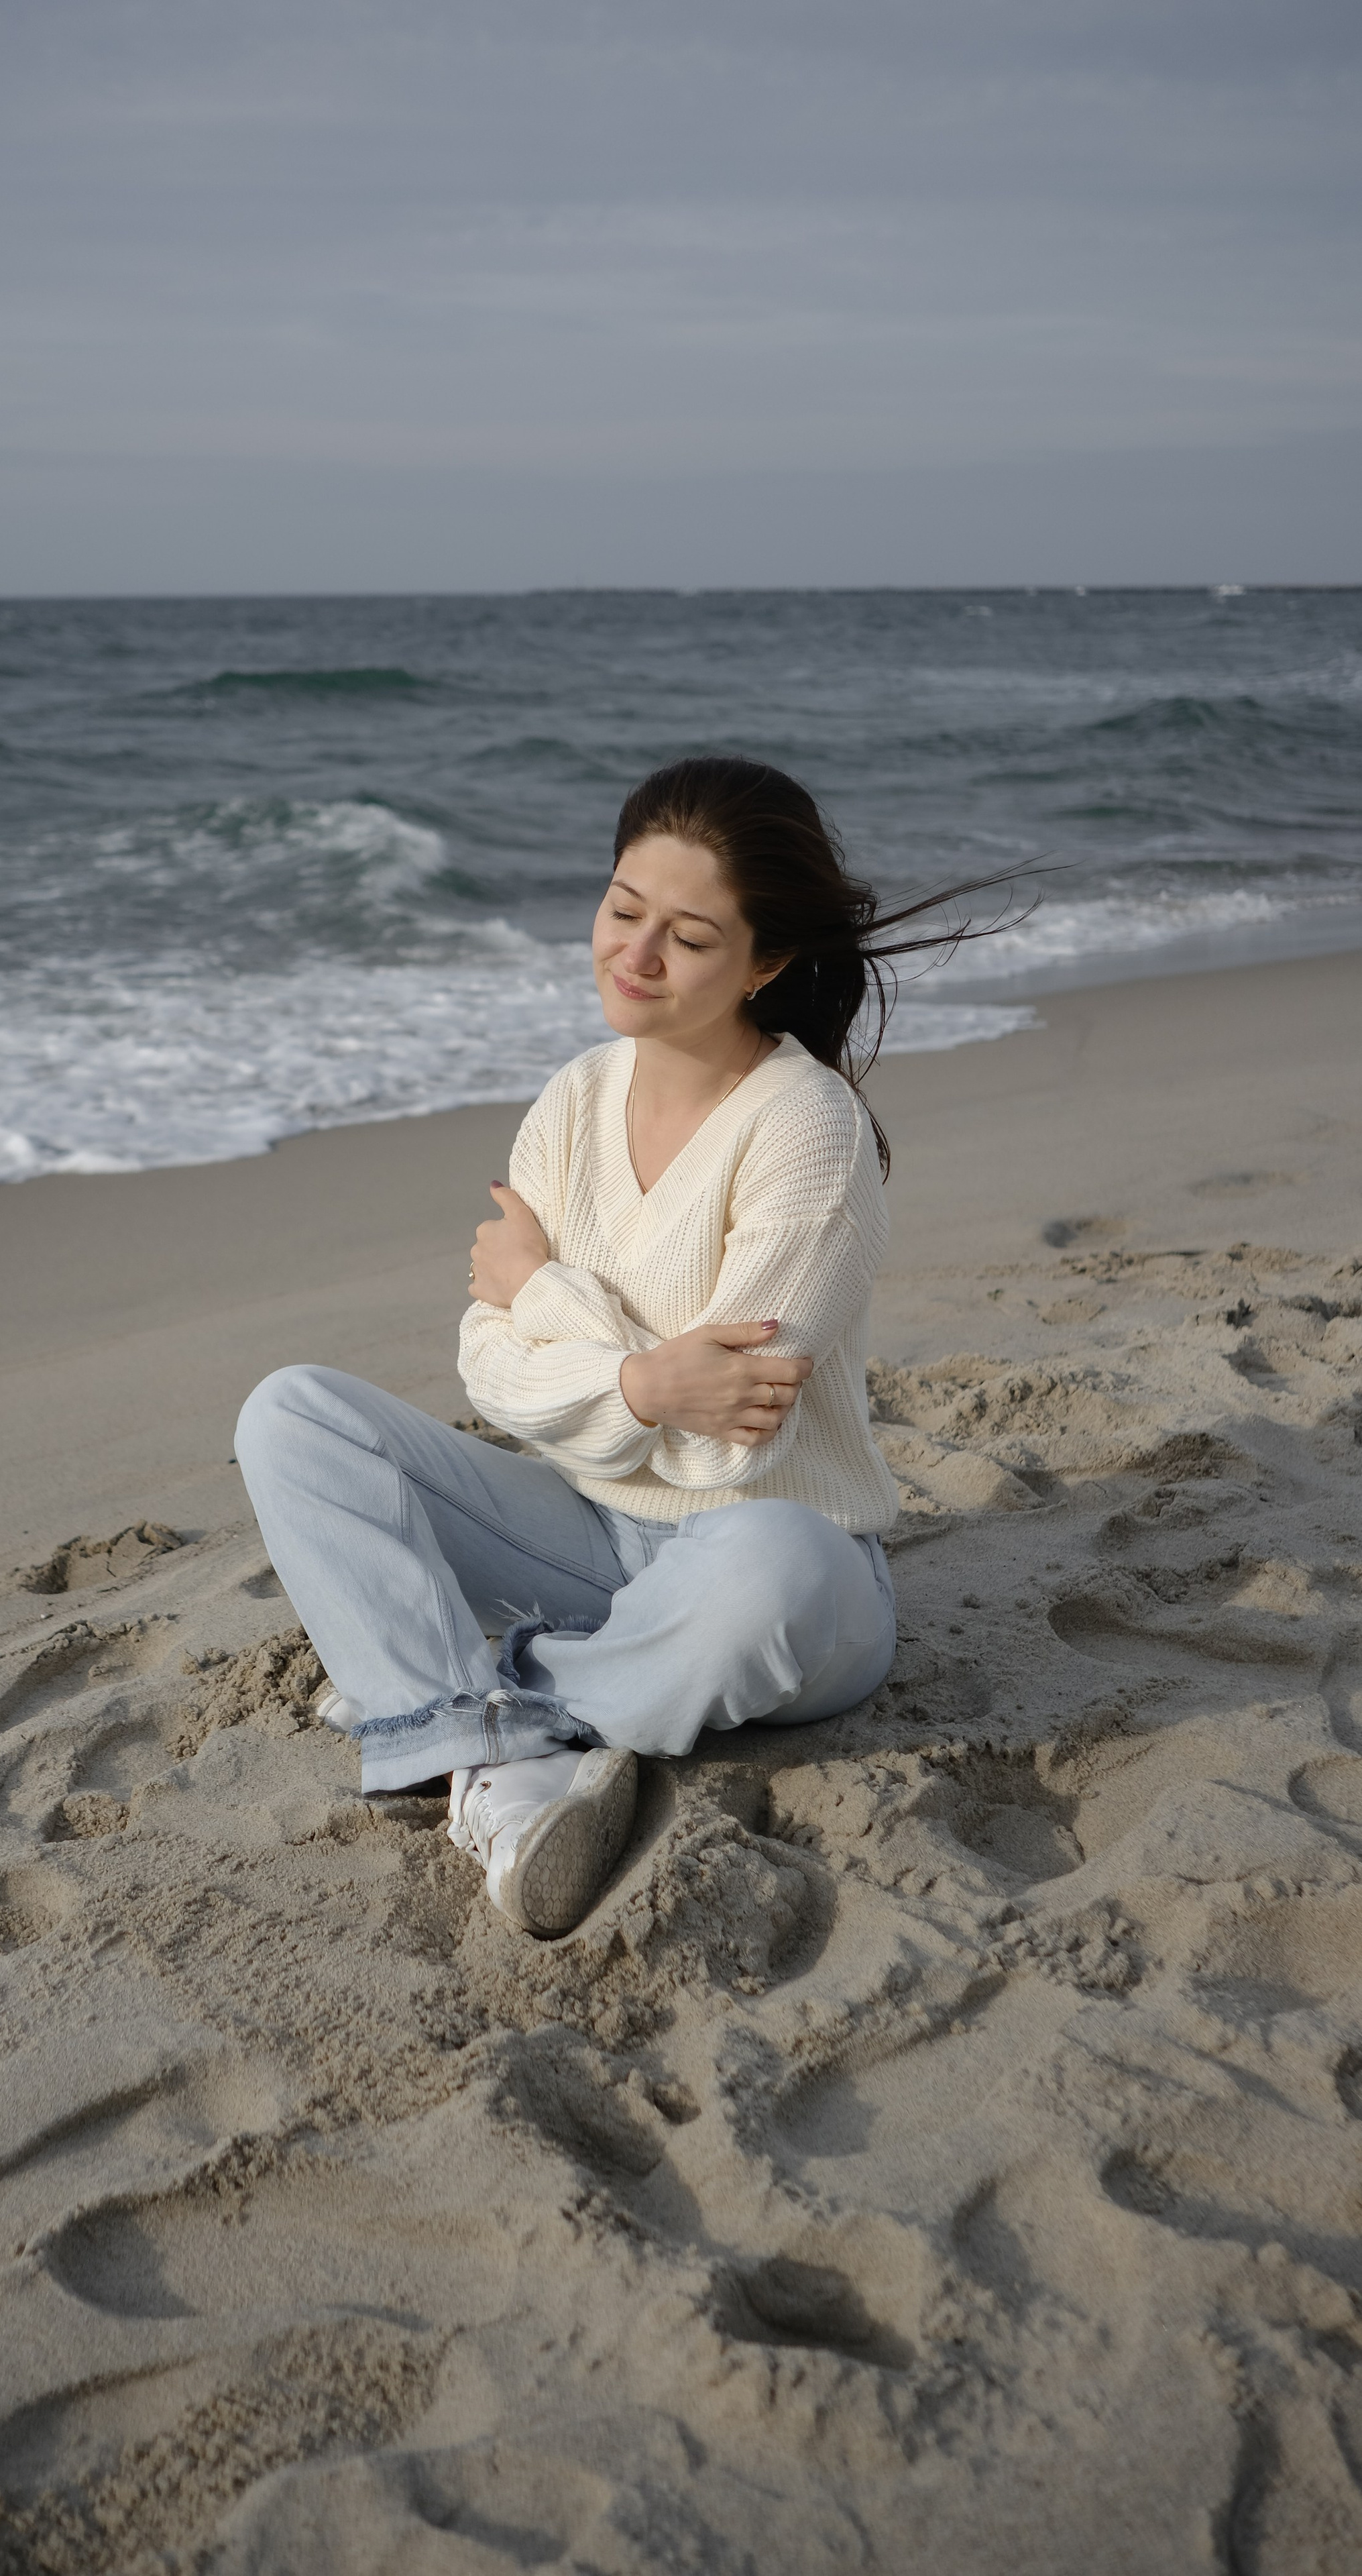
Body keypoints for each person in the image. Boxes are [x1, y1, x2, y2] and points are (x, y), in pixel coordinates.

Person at [236, 756, 1006, 1938]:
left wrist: (552, 1298)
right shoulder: (576, 1099)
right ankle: (499, 1729)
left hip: (780, 1568)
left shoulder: (809, 1133)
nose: (635, 955)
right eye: (621, 909)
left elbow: (722, 1457)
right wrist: (647, 1383)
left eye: (689, 937)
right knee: (292, 1417)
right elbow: (491, 1380)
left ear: (767, 962)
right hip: (583, 1533)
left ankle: (458, 1719)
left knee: (770, 1571)